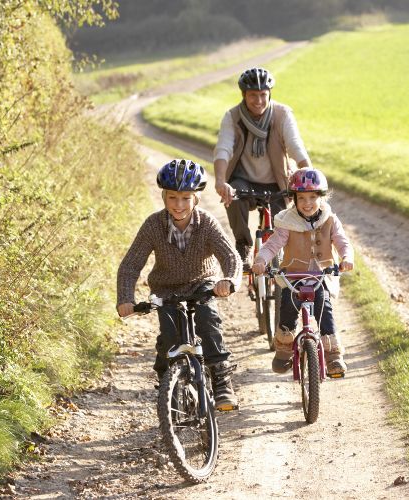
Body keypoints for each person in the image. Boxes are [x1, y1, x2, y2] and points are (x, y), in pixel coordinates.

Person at [116, 159, 243, 410]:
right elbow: (131, 264)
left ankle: (220, 382)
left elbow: (230, 256)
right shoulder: (153, 225)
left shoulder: (206, 222)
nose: (179, 205)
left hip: (202, 284)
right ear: (164, 196)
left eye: (186, 198)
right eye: (173, 198)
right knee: (169, 339)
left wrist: (229, 280)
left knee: (208, 324)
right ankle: (167, 384)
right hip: (166, 289)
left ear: (195, 198)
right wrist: (125, 298)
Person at [252, 168, 354, 376]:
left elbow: (342, 242)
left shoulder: (330, 220)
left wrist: (346, 258)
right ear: (294, 199)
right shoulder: (287, 223)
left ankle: (333, 355)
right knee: (288, 308)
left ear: (321, 197)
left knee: (324, 308)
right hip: (293, 276)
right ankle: (284, 350)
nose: (307, 203)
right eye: (301, 198)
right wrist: (261, 260)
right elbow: (273, 245)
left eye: (312, 197)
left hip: (321, 275)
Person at [214, 67, 312, 270]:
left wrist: (308, 172)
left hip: (278, 181)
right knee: (234, 198)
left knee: (282, 224)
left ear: (269, 94)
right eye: (252, 95)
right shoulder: (232, 117)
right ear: (243, 95)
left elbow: (295, 146)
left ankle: (280, 260)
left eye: (262, 95)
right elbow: (223, 149)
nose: (258, 100)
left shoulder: (282, 114)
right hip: (244, 180)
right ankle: (243, 246)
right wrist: (220, 180)